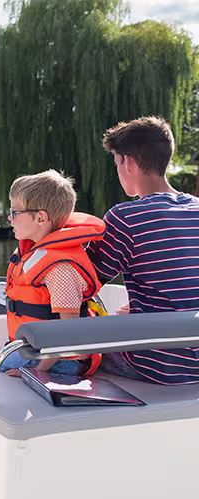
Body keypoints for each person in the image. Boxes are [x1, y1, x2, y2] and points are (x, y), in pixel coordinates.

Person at [87, 116, 199, 384]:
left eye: (116, 163)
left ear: (128, 162)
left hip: (158, 368)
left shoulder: (125, 218)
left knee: (75, 355)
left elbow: (84, 282)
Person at [0, 170, 105, 376]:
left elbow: (69, 330)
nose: (9, 218)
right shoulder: (36, 254)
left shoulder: (60, 269)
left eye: (15, 212)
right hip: (36, 351)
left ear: (40, 218)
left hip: (60, 362)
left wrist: (36, 372)